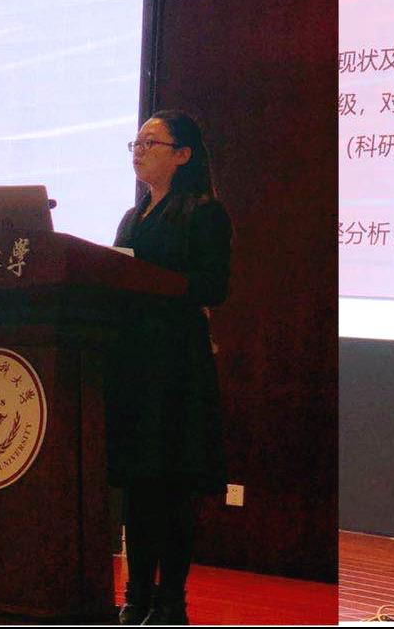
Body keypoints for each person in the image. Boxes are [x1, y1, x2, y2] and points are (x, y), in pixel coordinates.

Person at [107, 109, 233, 626]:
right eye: (135, 143)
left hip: (178, 367)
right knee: (139, 486)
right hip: (135, 366)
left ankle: (170, 604)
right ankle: (136, 597)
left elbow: (214, 286)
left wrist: (152, 282)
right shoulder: (131, 217)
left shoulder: (204, 213)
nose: (139, 151)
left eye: (151, 142)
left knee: (175, 485)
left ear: (182, 155)